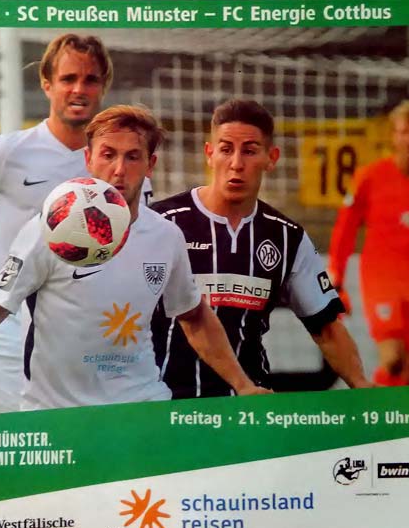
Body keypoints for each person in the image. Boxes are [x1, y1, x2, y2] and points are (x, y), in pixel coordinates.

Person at [0, 106, 266, 411]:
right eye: (108, 154)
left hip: (140, 405)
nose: (119, 169)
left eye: (132, 156)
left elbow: (195, 316)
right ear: (88, 159)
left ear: (150, 164)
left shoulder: (166, 237)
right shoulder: (48, 230)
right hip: (57, 415)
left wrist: (243, 386)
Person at [0, 33, 149, 414]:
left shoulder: (123, 169)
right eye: (68, 79)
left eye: (90, 79)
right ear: (46, 83)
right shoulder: (5, 151)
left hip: (80, 338)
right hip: (5, 328)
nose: (79, 89)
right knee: (49, 429)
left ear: (104, 86)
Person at [151, 99, 372, 398]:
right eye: (226, 149)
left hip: (249, 405)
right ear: (209, 154)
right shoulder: (162, 222)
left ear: (271, 158)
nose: (236, 163)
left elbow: (326, 328)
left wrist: (362, 386)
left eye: (250, 151)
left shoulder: (286, 237)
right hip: (164, 405)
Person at [328, 100, 409, 386]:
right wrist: (336, 276)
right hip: (383, 282)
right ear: (393, 137)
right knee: (393, 359)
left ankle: (397, 410)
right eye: (404, 132)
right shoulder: (370, 177)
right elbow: (345, 229)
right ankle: (376, 405)